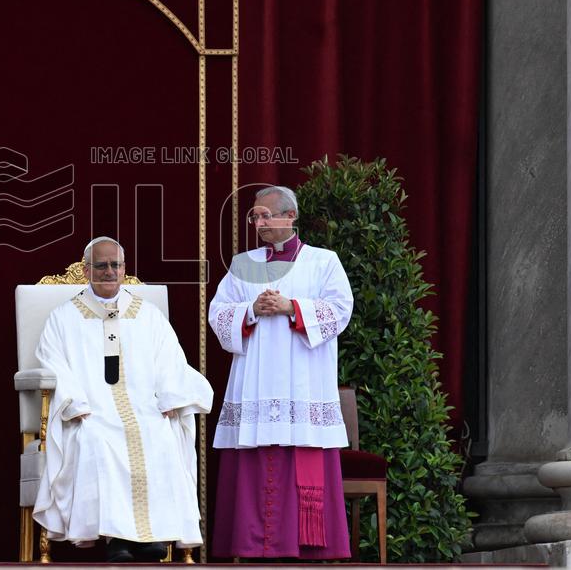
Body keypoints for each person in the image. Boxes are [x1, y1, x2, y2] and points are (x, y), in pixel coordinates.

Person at [32, 237, 213, 562]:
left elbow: (171, 361)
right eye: (101, 266)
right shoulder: (64, 317)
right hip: (91, 410)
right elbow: (52, 360)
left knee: (160, 435)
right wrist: (73, 403)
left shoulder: (147, 314)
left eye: (116, 265)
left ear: (125, 269)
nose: (109, 271)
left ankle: (152, 537)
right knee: (98, 439)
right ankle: (118, 540)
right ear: (87, 270)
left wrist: (171, 396)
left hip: (145, 407)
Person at [209, 186, 353, 559]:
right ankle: (250, 544)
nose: (258, 223)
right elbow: (218, 314)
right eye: (254, 217)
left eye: (264, 215)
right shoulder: (243, 264)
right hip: (255, 381)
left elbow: (340, 310)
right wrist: (252, 309)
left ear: (290, 217)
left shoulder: (324, 261)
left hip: (302, 382)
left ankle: (305, 547)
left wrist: (293, 307)